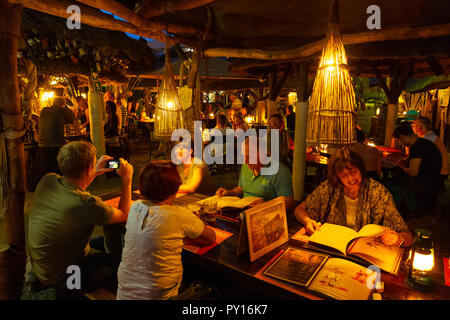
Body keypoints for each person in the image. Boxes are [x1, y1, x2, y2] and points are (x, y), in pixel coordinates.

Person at [28, 141, 133, 296]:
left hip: (43, 264)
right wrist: (127, 179)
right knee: (124, 266)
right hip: (63, 274)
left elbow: (75, 186)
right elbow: (124, 213)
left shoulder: (48, 180)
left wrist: (94, 172)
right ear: (88, 168)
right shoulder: (88, 204)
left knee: (99, 242)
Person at [116, 161, 216, 300]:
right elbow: (210, 237)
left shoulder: (135, 208)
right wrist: (189, 229)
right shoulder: (178, 214)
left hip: (124, 294)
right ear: (174, 189)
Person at [294, 148, 412, 247]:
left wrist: (397, 239)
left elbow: (406, 235)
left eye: (354, 172)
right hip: (332, 247)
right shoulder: (329, 188)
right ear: (337, 176)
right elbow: (299, 209)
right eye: (344, 175)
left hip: (365, 252)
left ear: (361, 169)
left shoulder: (377, 191)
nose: (351, 178)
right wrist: (308, 221)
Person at [216, 137, 295, 213]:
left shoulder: (280, 172)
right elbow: (241, 189)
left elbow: (289, 204)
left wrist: (267, 205)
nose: (245, 161)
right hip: (243, 211)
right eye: (244, 156)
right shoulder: (246, 166)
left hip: (265, 214)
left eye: (249, 157)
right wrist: (229, 192)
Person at [33, 96, 75, 190]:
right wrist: (66, 107)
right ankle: (70, 178)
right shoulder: (61, 110)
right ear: (62, 104)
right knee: (73, 147)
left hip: (42, 144)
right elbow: (72, 119)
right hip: (56, 144)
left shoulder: (44, 110)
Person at [412, 116, 448, 191]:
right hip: (439, 170)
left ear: (421, 127)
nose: (413, 128)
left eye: (414, 126)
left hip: (439, 172)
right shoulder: (430, 136)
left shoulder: (428, 139)